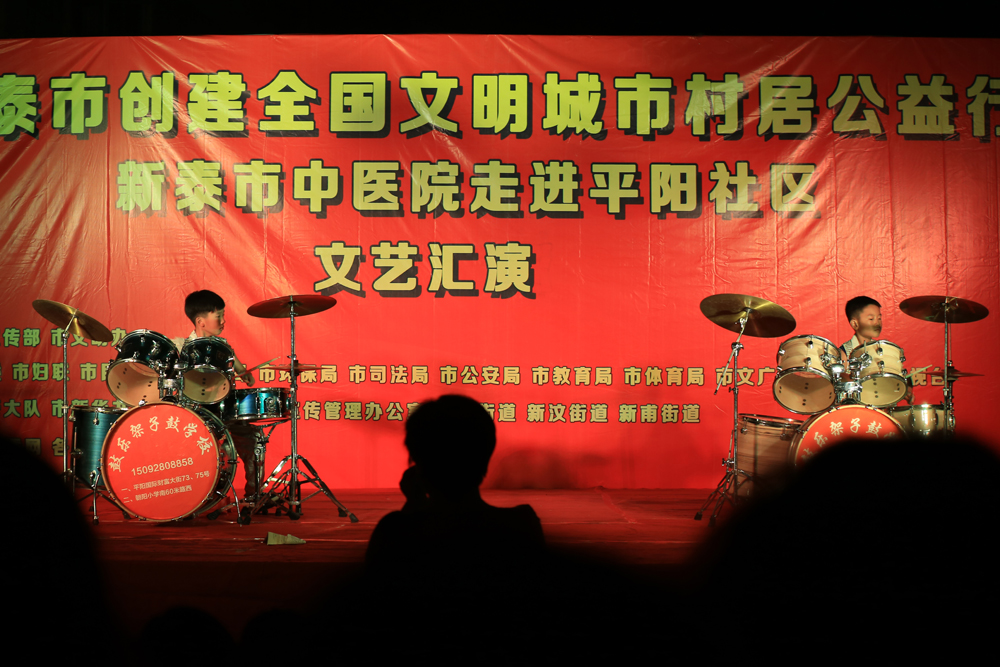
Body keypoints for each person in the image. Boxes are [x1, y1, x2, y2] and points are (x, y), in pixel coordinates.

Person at [365, 394, 545, 587]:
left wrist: (414, 504)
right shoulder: (522, 525)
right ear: (486, 453)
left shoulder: (395, 532)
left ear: (416, 461)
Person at [175, 290, 260, 499]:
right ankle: (211, 496)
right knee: (222, 451)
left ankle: (254, 496)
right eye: (218, 316)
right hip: (196, 416)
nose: (223, 321)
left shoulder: (223, 347)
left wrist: (245, 374)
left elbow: (242, 372)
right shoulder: (180, 347)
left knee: (255, 440)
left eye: (223, 315)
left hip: (225, 412)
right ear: (200, 322)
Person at [839, 294, 912, 404]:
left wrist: (904, 389)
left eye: (879, 318)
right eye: (871, 319)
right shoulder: (845, 352)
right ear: (855, 323)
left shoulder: (881, 350)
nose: (877, 323)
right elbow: (841, 381)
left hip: (879, 405)